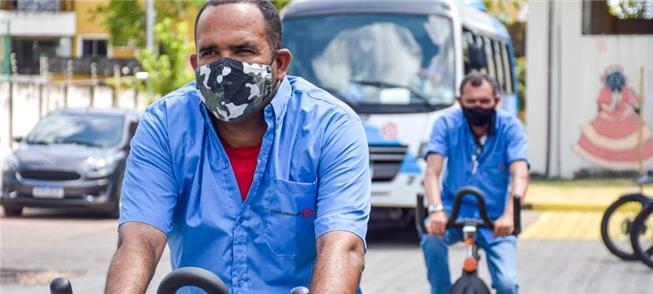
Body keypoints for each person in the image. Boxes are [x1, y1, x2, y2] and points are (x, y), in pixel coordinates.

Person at [104, 1, 371, 293]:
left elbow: (343, 247)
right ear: (195, 66)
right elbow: (138, 241)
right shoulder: (165, 125)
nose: (225, 66)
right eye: (210, 53)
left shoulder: (331, 126)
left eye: (243, 50)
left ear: (279, 64)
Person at [420, 73, 529, 294]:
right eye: (471, 102)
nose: (477, 106)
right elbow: (432, 171)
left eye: (484, 101)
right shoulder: (446, 124)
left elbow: (520, 174)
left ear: (496, 101)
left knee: (508, 284)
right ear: (460, 101)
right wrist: (436, 210)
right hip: (452, 211)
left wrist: (509, 215)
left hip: (495, 218)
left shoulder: (511, 128)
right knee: (432, 240)